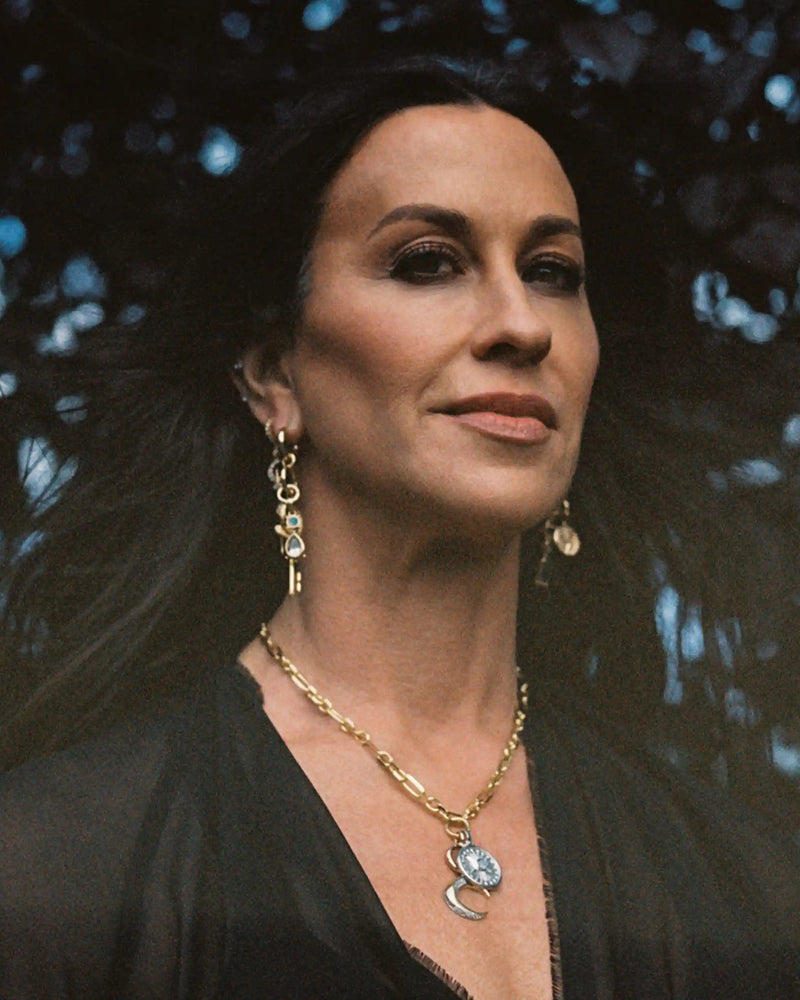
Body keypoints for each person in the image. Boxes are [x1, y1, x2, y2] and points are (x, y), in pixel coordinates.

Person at [0, 56, 799, 1000]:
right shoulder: (60, 867)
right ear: (273, 374)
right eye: (428, 262)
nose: (521, 324)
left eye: (553, 272)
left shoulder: (747, 885)